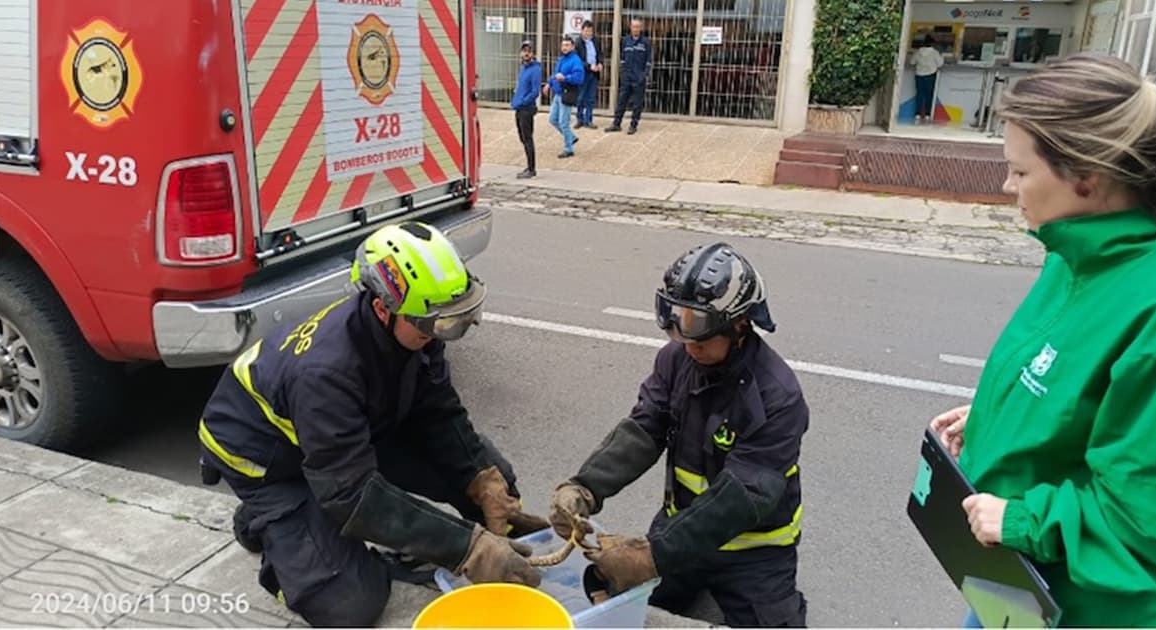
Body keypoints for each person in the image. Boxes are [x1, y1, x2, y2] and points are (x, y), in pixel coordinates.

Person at [928, 53, 1156, 628]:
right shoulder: (1075, 254)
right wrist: (1000, 417)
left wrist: (1025, 521)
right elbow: (1074, 393)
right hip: (1022, 584)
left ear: (1085, 176)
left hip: (1086, 609)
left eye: (1021, 171)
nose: (1007, 184)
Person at [197, 222, 549, 627]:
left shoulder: (417, 331)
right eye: (439, 323)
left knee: (490, 479)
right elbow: (350, 493)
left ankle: (305, 524)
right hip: (269, 462)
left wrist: (482, 478)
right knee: (349, 604)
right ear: (383, 308)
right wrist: (464, 549)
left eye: (457, 319)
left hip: (343, 439)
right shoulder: (326, 373)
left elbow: (440, 413)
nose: (446, 333)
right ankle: (266, 526)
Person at [549, 243, 810, 627]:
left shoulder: (777, 396)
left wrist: (652, 554)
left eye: (701, 338)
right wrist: (585, 487)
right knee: (603, 590)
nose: (689, 347)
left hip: (753, 553)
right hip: (680, 533)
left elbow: (742, 497)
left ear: (739, 325)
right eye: (681, 328)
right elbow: (645, 427)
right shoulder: (676, 359)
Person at [606, 18, 652, 135]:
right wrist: (623, 72)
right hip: (627, 76)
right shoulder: (625, 40)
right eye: (633, 26)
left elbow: (649, 60)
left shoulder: (646, 42)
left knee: (637, 103)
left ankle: (633, 125)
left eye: (638, 27)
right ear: (630, 27)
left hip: (638, 78)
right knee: (621, 100)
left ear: (641, 28)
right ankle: (616, 123)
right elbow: (622, 57)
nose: (635, 29)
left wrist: (644, 75)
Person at [542, 34, 584, 158]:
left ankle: (568, 148)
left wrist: (566, 78)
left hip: (567, 93)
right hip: (558, 94)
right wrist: (549, 84)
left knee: (563, 122)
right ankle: (571, 137)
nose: (564, 47)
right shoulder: (561, 59)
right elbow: (555, 73)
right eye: (563, 45)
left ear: (572, 46)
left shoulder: (575, 60)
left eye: (567, 45)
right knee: (553, 119)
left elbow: (579, 78)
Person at [510, 39, 542, 179]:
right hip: (519, 107)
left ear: (533, 53)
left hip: (526, 109)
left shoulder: (535, 69)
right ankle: (529, 166)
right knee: (522, 138)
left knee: (528, 138)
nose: (526, 53)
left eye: (528, 51)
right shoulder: (523, 68)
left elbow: (535, 91)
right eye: (524, 51)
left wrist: (523, 101)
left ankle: (531, 168)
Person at [575, 20, 603, 129]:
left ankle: (589, 120)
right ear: (582, 31)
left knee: (591, 98)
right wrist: (588, 66)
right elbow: (577, 60)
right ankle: (579, 119)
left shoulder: (595, 41)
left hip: (594, 73)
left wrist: (600, 63)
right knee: (581, 97)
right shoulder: (578, 43)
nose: (588, 33)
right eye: (586, 31)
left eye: (590, 31)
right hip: (584, 73)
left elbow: (600, 53)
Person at [912, 35, 944, 124]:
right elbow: (940, 64)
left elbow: (912, 62)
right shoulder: (935, 52)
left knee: (919, 95)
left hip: (919, 75)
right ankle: (927, 114)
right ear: (932, 43)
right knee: (928, 96)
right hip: (930, 76)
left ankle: (917, 114)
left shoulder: (918, 52)